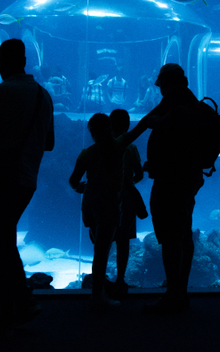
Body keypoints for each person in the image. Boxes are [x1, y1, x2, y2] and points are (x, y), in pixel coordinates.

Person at [0, 39, 54, 336]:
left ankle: (19, 304)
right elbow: (50, 142)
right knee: (3, 244)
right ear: (25, 60)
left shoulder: (0, 92)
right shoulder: (44, 96)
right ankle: (8, 311)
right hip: (26, 179)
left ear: (2, 61)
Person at [118, 63, 207, 312]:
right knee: (183, 232)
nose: (160, 89)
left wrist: (125, 140)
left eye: (161, 84)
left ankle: (173, 295)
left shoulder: (177, 100)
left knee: (170, 236)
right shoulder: (187, 99)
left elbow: (154, 121)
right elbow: (150, 121)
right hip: (187, 177)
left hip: (172, 179)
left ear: (166, 82)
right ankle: (180, 291)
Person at [68, 113, 123, 309]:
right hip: (108, 202)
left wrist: (79, 188)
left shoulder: (87, 153)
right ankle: (98, 295)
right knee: (102, 250)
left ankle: (98, 292)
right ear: (110, 128)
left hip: (90, 203)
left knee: (98, 249)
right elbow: (138, 130)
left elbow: (73, 180)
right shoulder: (118, 147)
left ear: (91, 131)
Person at [109, 108, 147, 298]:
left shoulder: (102, 146)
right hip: (125, 196)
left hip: (105, 195)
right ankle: (120, 279)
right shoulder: (131, 148)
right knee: (123, 241)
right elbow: (139, 174)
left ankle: (100, 278)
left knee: (103, 238)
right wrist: (129, 181)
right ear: (128, 125)